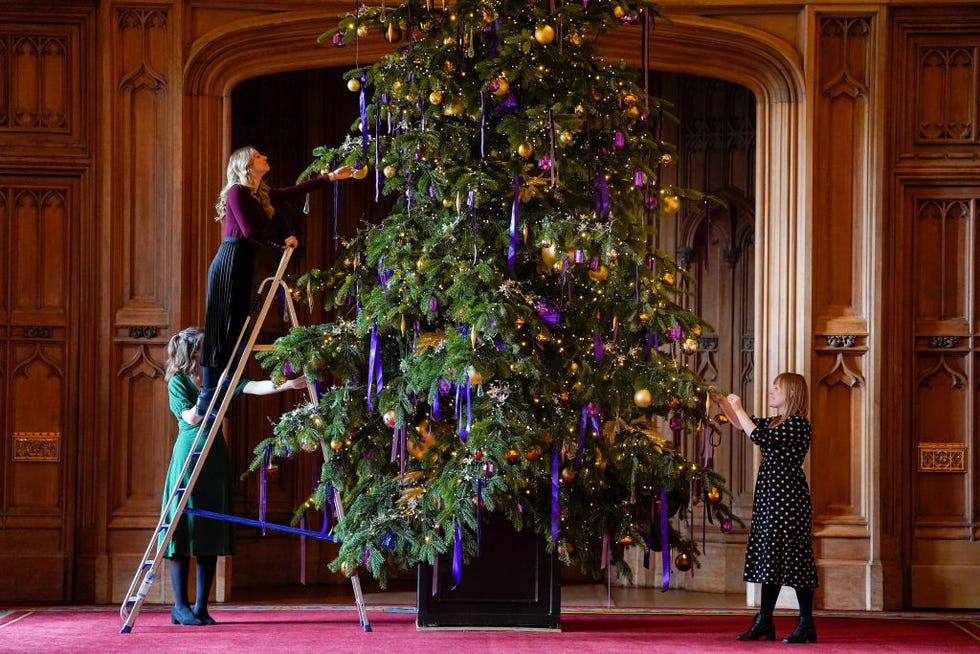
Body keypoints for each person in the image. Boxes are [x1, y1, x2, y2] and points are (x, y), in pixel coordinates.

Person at [162, 326, 307, 626]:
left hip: (214, 459)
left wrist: (289, 384)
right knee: (184, 529)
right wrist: (211, 391)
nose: (211, 352)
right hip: (189, 458)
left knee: (210, 530)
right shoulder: (178, 382)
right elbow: (191, 416)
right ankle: (180, 606)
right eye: (204, 347)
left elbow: (254, 386)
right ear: (193, 352)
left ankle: (201, 606)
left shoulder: (217, 380)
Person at [195, 146, 353, 420]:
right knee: (220, 328)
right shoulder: (237, 192)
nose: (265, 157)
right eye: (258, 156)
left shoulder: (258, 195)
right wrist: (281, 243)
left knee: (235, 329)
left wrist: (331, 178)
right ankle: (208, 393)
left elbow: (292, 191)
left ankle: (223, 392)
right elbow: (249, 230)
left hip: (244, 264)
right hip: (229, 262)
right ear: (245, 164)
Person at [713, 373, 819, 644]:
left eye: (776, 388)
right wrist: (723, 401)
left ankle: (806, 623)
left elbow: (758, 436)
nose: (771, 391)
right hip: (771, 499)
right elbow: (741, 425)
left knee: (795, 559)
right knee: (770, 558)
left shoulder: (798, 424)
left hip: (789, 501)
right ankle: (764, 622)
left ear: (791, 394)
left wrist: (738, 407)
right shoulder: (776, 421)